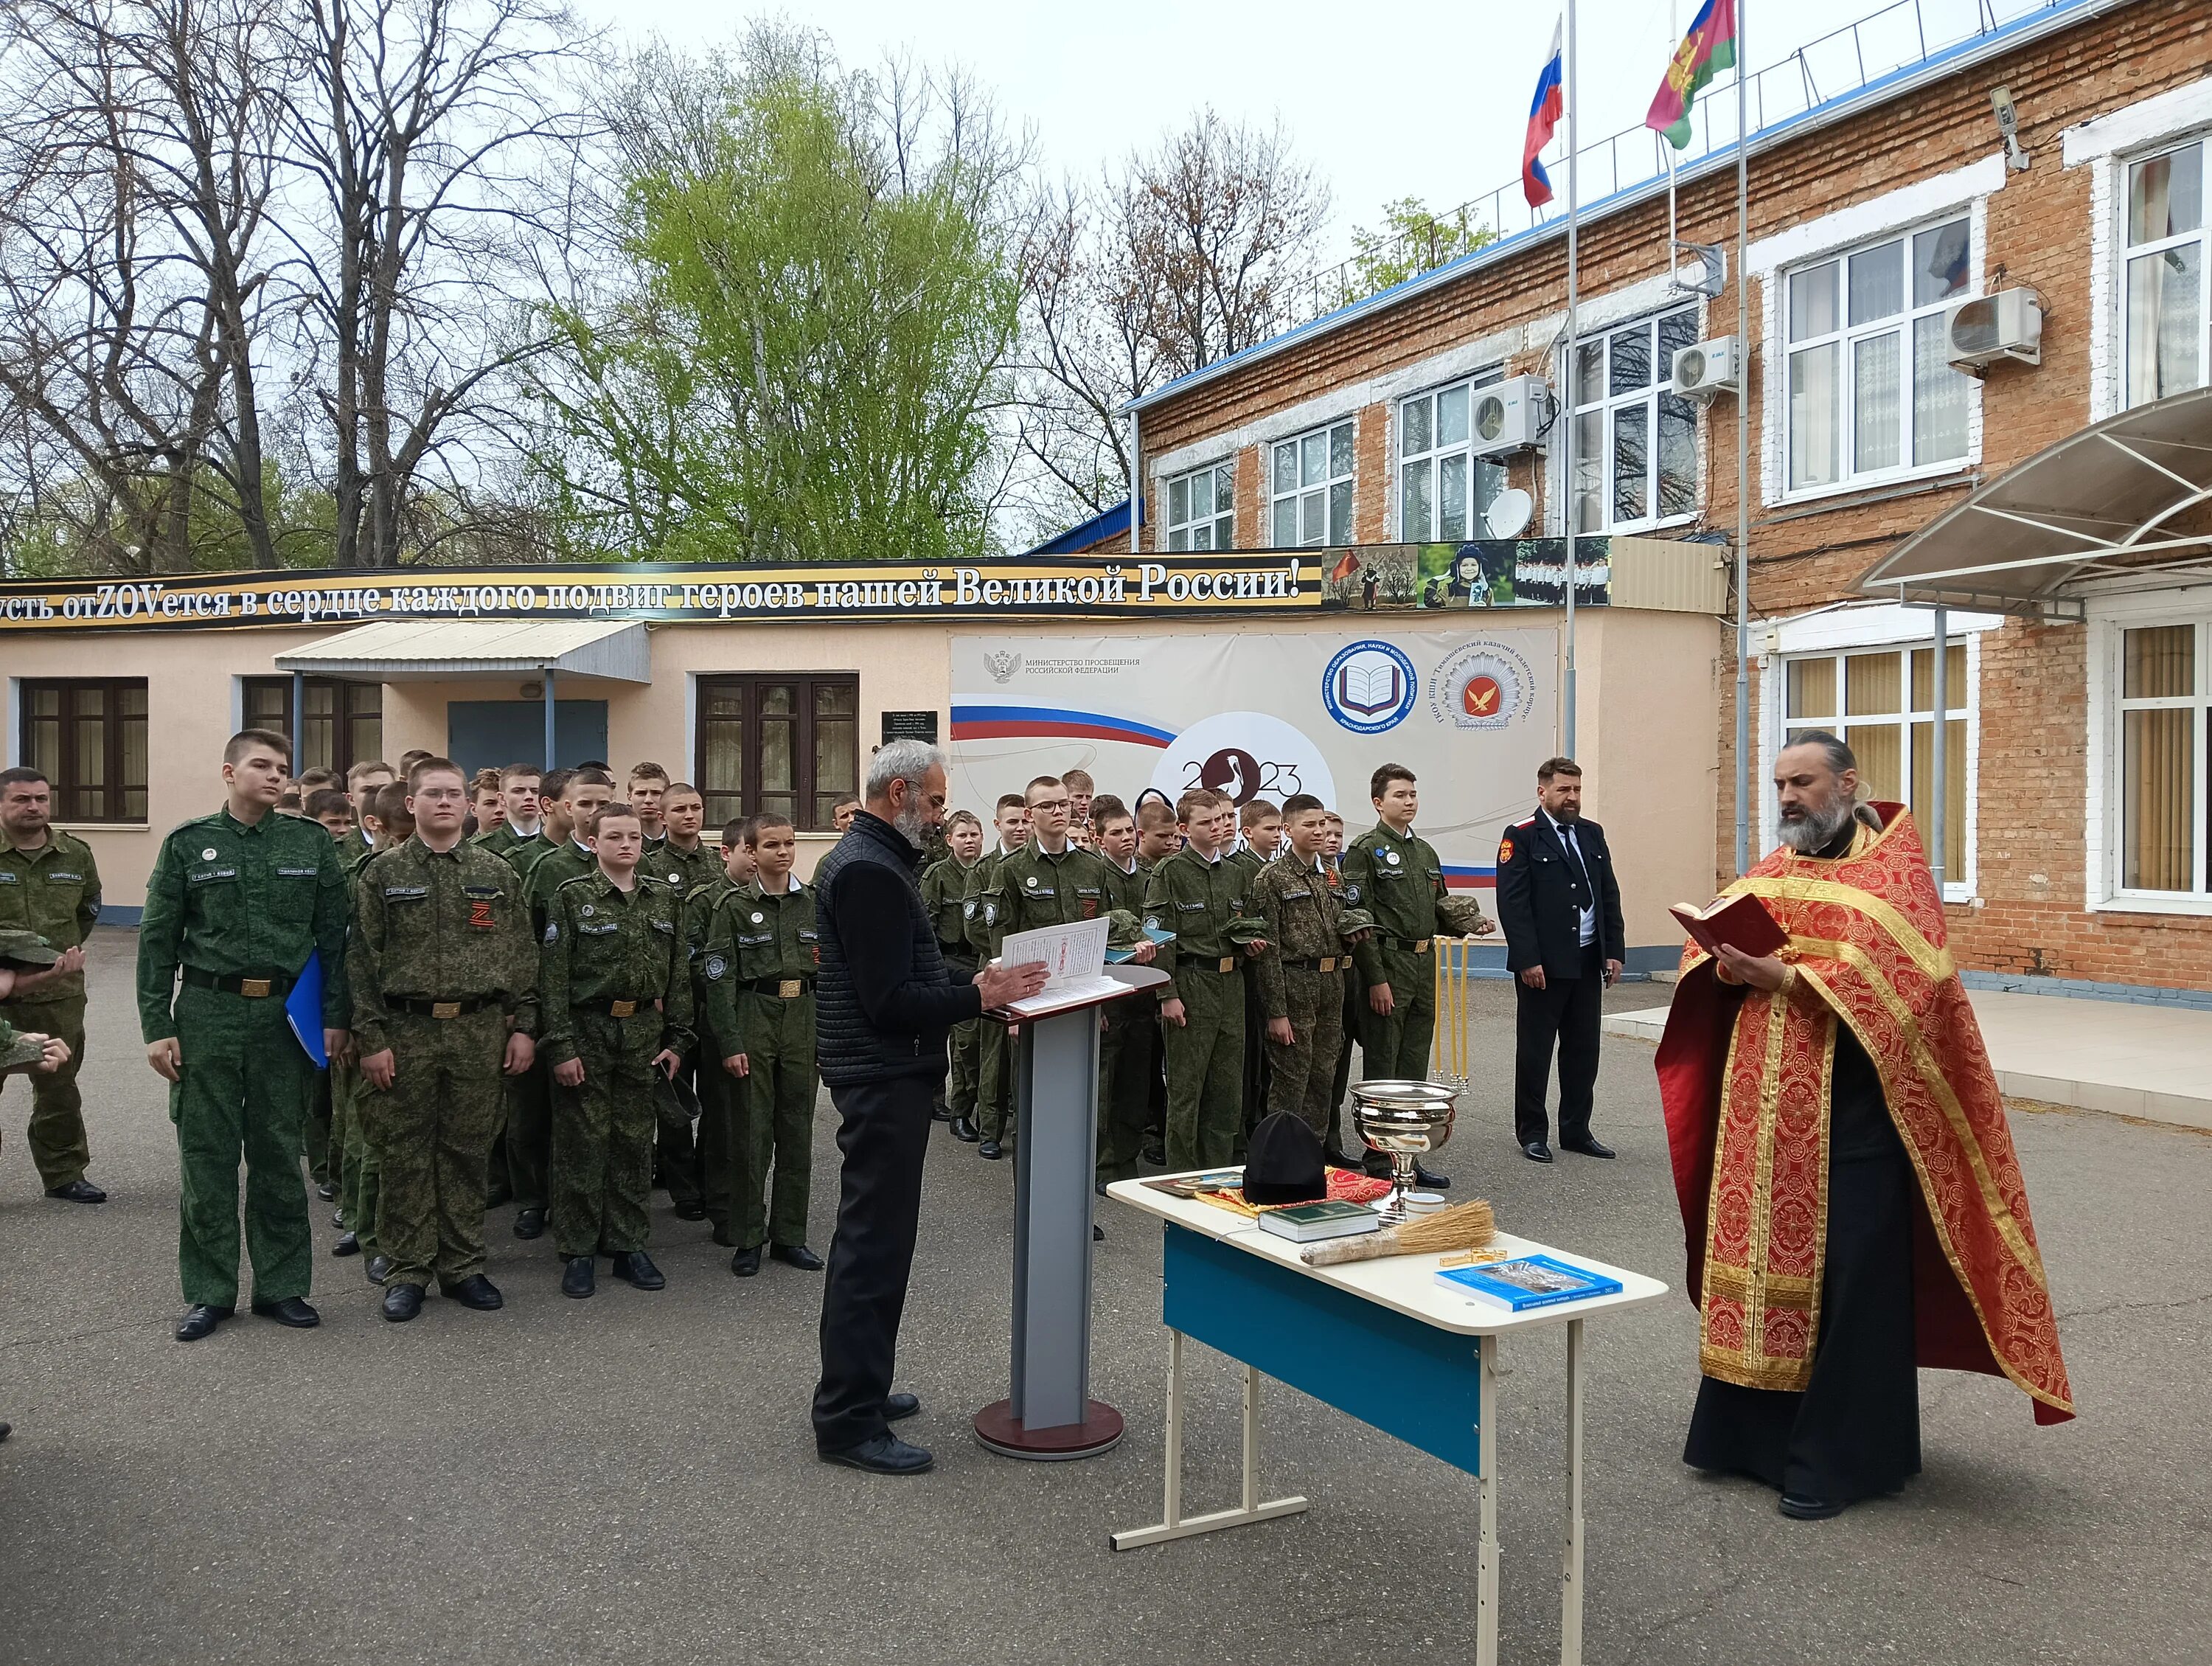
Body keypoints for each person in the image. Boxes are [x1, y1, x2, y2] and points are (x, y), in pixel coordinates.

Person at [1658, 732, 2074, 1519]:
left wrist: (1790, 976)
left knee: (1852, 1285)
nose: (1787, 797)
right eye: (1780, 783)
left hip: (1858, 1117)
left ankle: (1835, 1463)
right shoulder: (1776, 869)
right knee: (1756, 1278)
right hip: (1764, 1120)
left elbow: (1915, 988)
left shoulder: (1895, 877)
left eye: (1803, 782)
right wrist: (1720, 959)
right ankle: (1746, 1443)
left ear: (1847, 783)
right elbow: (1715, 950)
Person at [810, 741, 1048, 1474]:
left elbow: (909, 968)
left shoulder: (874, 861)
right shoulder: (869, 872)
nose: (944, 817)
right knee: (871, 1252)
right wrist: (979, 998)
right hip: (881, 1077)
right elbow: (890, 1002)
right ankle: (849, 1421)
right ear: (902, 793)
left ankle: (863, 1391)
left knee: (877, 1246)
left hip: (884, 1074)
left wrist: (976, 979)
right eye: (938, 802)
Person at [138, 729, 351, 1342]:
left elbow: (335, 940)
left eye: (282, 768)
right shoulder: (189, 843)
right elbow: (156, 944)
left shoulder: (309, 842)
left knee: (279, 1153)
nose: (274, 775)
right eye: (261, 765)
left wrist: (334, 1017)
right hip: (208, 1012)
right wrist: (158, 1027)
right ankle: (210, 1292)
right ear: (229, 772)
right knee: (206, 1157)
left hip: (283, 1017)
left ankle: (282, 1286)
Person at [349, 758, 538, 1321]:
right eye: (432, 794)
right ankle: (407, 1270)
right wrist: (371, 1037)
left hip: (479, 1030)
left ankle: (462, 1264)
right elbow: (360, 961)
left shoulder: (496, 871)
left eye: (454, 794)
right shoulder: (380, 874)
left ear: (469, 803)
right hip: (405, 1029)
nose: (445, 803)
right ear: (411, 804)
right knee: (405, 1151)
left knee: (467, 1149)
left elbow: (523, 954)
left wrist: (525, 1025)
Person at [538, 801, 689, 1299]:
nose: (627, 845)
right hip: (588, 1029)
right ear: (595, 842)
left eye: (634, 837)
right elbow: (554, 979)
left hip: (643, 1030)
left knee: (631, 1141)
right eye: (615, 837)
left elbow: (678, 976)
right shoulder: (572, 896)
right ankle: (579, 1248)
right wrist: (559, 1046)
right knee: (583, 1142)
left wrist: (677, 1040)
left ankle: (628, 1244)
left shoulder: (665, 899)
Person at [1342, 763, 1492, 1188]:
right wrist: (1375, 979)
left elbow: (1439, 907)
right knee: (1383, 1063)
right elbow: (1358, 919)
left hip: (1425, 965)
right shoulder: (1364, 850)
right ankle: (1377, 1157)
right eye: (1399, 796)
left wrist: (1469, 922)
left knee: (1413, 1070)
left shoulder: (1424, 851)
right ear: (1378, 802)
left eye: (1412, 795)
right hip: (1387, 965)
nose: (1409, 802)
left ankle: (1408, 1154)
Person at [701, 813, 822, 1277]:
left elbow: (829, 975)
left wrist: (825, 1038)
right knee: (751, 1133)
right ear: (751, 852)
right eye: (771, 845)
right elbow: (720, 980)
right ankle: (748, 1235)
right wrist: (730, 1042)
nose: (783, 852)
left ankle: (790, 1235)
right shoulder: (731, 907)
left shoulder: (812, 903)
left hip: (802, 1018)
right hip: (755, 1014)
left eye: (789, 843)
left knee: (797, 1131)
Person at [970, 776, 1114, 1162]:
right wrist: (1013, 1012)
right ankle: (1037, 1213)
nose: (1058, 811)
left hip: (1079, 999)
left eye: (1063, 804)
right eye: (1048, 806)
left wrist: (1098, 1001)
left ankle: (1074, 1210)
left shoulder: (1092, 867)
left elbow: (1098, 934)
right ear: (1030, 814)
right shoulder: (1011, 869)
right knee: (1033, 1101)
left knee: (1078, 1101)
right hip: (1033, 998)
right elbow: (1000, 943)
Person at [1495, 757, 1624, 1162]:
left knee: (1583, 1051)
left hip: (1587, 960)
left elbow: (1608, 894)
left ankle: (1576, 1130)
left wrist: (1614, 951)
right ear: (1543, 792)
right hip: (1544, 968)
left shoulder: (1591, 833)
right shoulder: (1522, 836)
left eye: (1577, 790)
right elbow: (1512, 905)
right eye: (1564, 790)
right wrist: (1527, 959)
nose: (1572, 797)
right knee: (1535, 1053)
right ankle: (1533, 1132)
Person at [1145, 788, 1266, 1170]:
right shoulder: (1171, 873)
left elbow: (1244, 924)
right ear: (1183, 829)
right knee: (1187, 1089)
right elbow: (1160, 938)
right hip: (1191, 983)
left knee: (1227, 1089)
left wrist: (1251, 944)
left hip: (1231, 985)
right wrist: (1167, 994)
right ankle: (1182, 1174)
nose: (1217, 828)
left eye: (1220, 820)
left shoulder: (1235, 873)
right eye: (1205, 823)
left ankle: (1217, 1170)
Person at [0, 767, 105, 1204]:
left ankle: (64, 1173)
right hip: (0, 992)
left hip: (58, 993)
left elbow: (88, 910)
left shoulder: (75, 854)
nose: (33, 807)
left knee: (59, 1085)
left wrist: (55, 957)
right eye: (21, 799)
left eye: (41, 799)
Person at [1251, 794, 1366, 1139]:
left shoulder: (1331, 876)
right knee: (1290, 1080)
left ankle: (1312, 1159)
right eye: (1309, 825)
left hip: (1331, 984)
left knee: (1323, 1078)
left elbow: (1336, 926)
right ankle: (1280, 1160)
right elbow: (1267, 952)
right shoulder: (1271, 878)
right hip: (1293, 985)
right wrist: (1276, 1012)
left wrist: (1352, 933)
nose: (1318, 832)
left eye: (1322, 825)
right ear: (1288, 829)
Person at [644, 782, 718, 1219]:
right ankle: (682, 1187)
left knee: (717, 1095)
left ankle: (709, 1176)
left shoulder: (717, 862)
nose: (688, 816)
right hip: (672, 1001)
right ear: (663, 815)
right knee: (673, 1100)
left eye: (695, 808)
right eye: (679, 809)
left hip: (713, 998)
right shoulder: (650, 865)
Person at [1091, 796, 1158, 1190]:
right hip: (1110, 991)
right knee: (1106, 1084)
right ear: (1100, 840)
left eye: (1129, 830)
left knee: (1136, 1081)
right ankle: (1100, 1165)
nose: (1126, 838)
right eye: (1116, 833)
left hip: (1143, 989)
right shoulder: (1097, 876)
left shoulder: (1149, 875)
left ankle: (1126, 1162)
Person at [961, 793, 1032, 1156]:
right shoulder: (983, 869)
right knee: (993, 1054)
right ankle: (991, 1129)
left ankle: (1025, 1125)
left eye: (1024, 821)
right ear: (998, 825)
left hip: (1031, 971)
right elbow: (974, 926)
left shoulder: (1031, 866)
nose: (1020, 828)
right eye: (1012, 822)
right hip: (993, 968)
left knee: (1024, 1054)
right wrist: (1003, 959)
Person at [919, 809, 985, 1140]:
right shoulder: (939, 875)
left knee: (982, 1044)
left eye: (974, 834)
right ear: (949, 841)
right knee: (964, 1043)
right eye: (962, 835)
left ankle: (984, 1108)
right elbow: (926, 925)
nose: (970, 840)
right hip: (951, 961)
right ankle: (959, 1111)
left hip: (982, 960)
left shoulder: (988, 873)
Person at [476, 765, 545, 858]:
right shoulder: (481, 848)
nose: (529, 797)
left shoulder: (559, 840)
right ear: (502, 798)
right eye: (518, 791)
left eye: (535, 791)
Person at [628, 762, 670, 847]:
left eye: (656, 793)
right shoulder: (621, 843)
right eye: (641, 793)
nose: (648, 800)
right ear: (629, 797)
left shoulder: (680, 841)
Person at [469, 768, 508, 838]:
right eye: (490, 803)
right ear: (474, 810)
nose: (499, 810)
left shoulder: (530, 847)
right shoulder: (462, 848)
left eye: (504, 803)